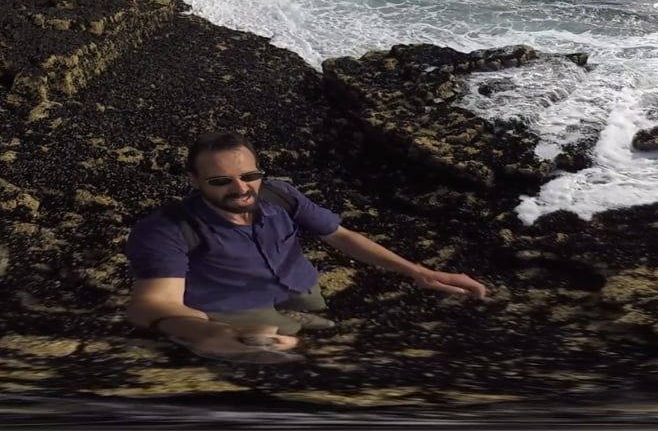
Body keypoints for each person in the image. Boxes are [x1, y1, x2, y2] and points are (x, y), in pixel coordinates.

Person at [125, 131, 489, 364]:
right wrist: (202, 333)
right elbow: (151, 303)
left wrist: (420, 272)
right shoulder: (167, 228)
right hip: (236, 313)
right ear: (194, 180)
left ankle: (297, 318)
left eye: (250, 176)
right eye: (221, 181)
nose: (241, 189)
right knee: (293, 362)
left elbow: (341, 236)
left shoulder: (280, 194)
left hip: (301, 291)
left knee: (310, 318)